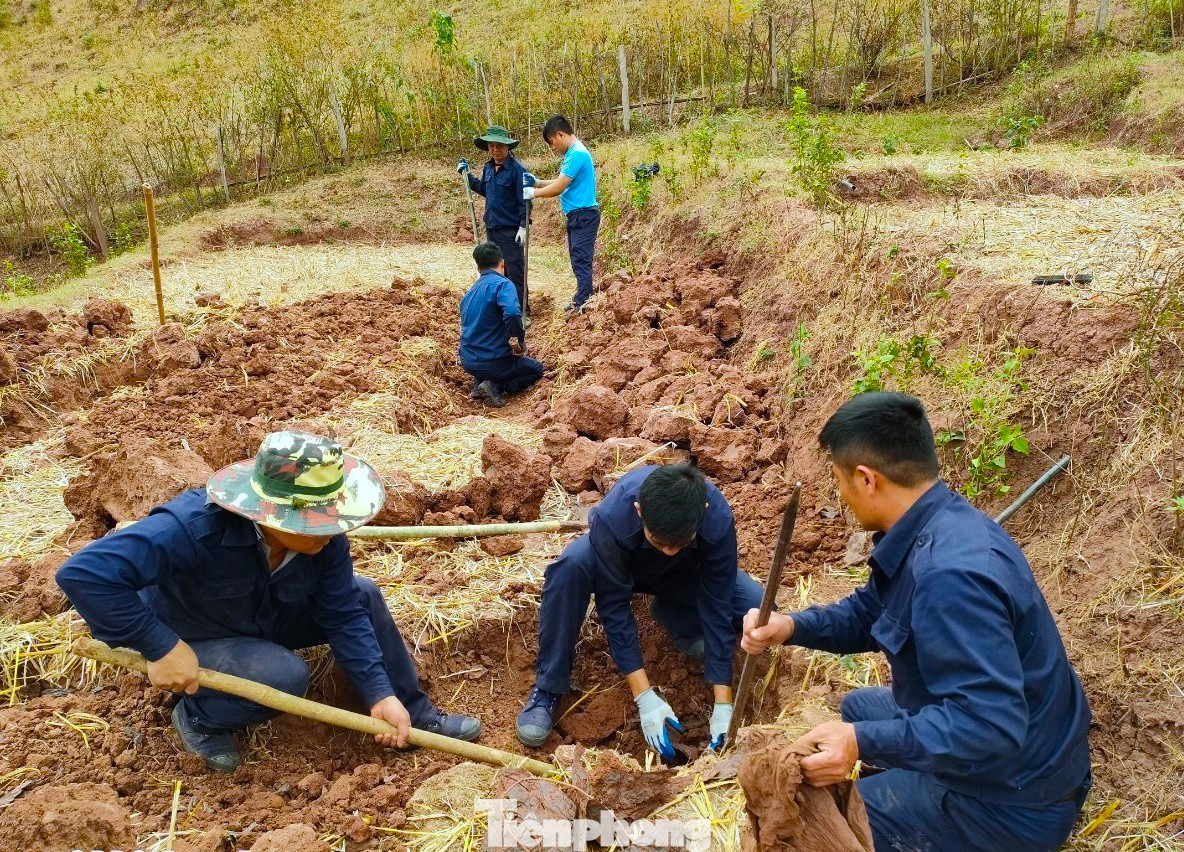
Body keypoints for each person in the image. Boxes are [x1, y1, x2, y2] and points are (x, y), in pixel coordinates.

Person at [741, 392, 1092, 852]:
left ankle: (922, 814)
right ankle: (912, 784)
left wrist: (859, 743)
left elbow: (992, 726)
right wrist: (792, 626)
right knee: (859, 708)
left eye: (840, 483)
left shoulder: (951, 577)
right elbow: (870, 613)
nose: (841, 497)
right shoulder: (936, 525)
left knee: (804, 818)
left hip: (1013, 802)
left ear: (867, 479)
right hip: (1027, 747)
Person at [56, 431, 482, 773]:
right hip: (195, 632)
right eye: (315, 522)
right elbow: (84, 574)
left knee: (363, 594)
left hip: (265, 616)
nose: (329, 531)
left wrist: (379, 692)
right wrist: (160, 646)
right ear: (269, 511)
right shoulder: (191, 528)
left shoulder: (324, 542)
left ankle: (409, 709)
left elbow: (343, 612)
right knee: (282, 673)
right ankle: (200, 717)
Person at [515, 463, 766, 758]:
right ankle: (548, 687)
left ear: (704, 510)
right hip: (628, 567)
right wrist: (645, 697)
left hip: (684, 574)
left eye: (679, 543)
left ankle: (675, 616)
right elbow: (615, 607)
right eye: (659, 541)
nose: (668, 550)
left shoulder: (717, 518)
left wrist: (724, 706)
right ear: (638, 511)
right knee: (571, 567)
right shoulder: (613, 518)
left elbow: (718, 602)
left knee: (758, 607)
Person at [521, 114, 598, 318]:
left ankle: (584, 303)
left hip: (583, 215)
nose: (553, 147)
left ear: (560, 134)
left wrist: (533, 193)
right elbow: (561, 181)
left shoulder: (576, 154)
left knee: (581, 259)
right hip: (578, 216)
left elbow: (558, 187)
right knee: (577, 259)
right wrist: (537, 183)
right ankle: (581, 297)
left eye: (552, 142)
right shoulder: (575, 154)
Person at [456, 126, 531, 314]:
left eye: (499, 146)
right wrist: (468, 177)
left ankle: (522, 310)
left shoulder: (517, 170)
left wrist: (523, 225)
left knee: (514, 271)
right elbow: (485, 190)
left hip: (511, 231)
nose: (495, 150)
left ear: (507, 147)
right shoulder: (488, 167)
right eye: (491, 146)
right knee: (494, 271)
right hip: (492, 228)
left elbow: (525, 201)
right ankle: (501, 307)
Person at [459, 241, 543, 408]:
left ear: (478, 268)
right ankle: (496, 386)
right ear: (502, 263)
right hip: (493, 361)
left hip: (468, 361)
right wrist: (519, 339)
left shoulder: (470, 292)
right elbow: (512, 313)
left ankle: (479, 382)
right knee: (536, 369)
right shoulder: (503, 284)